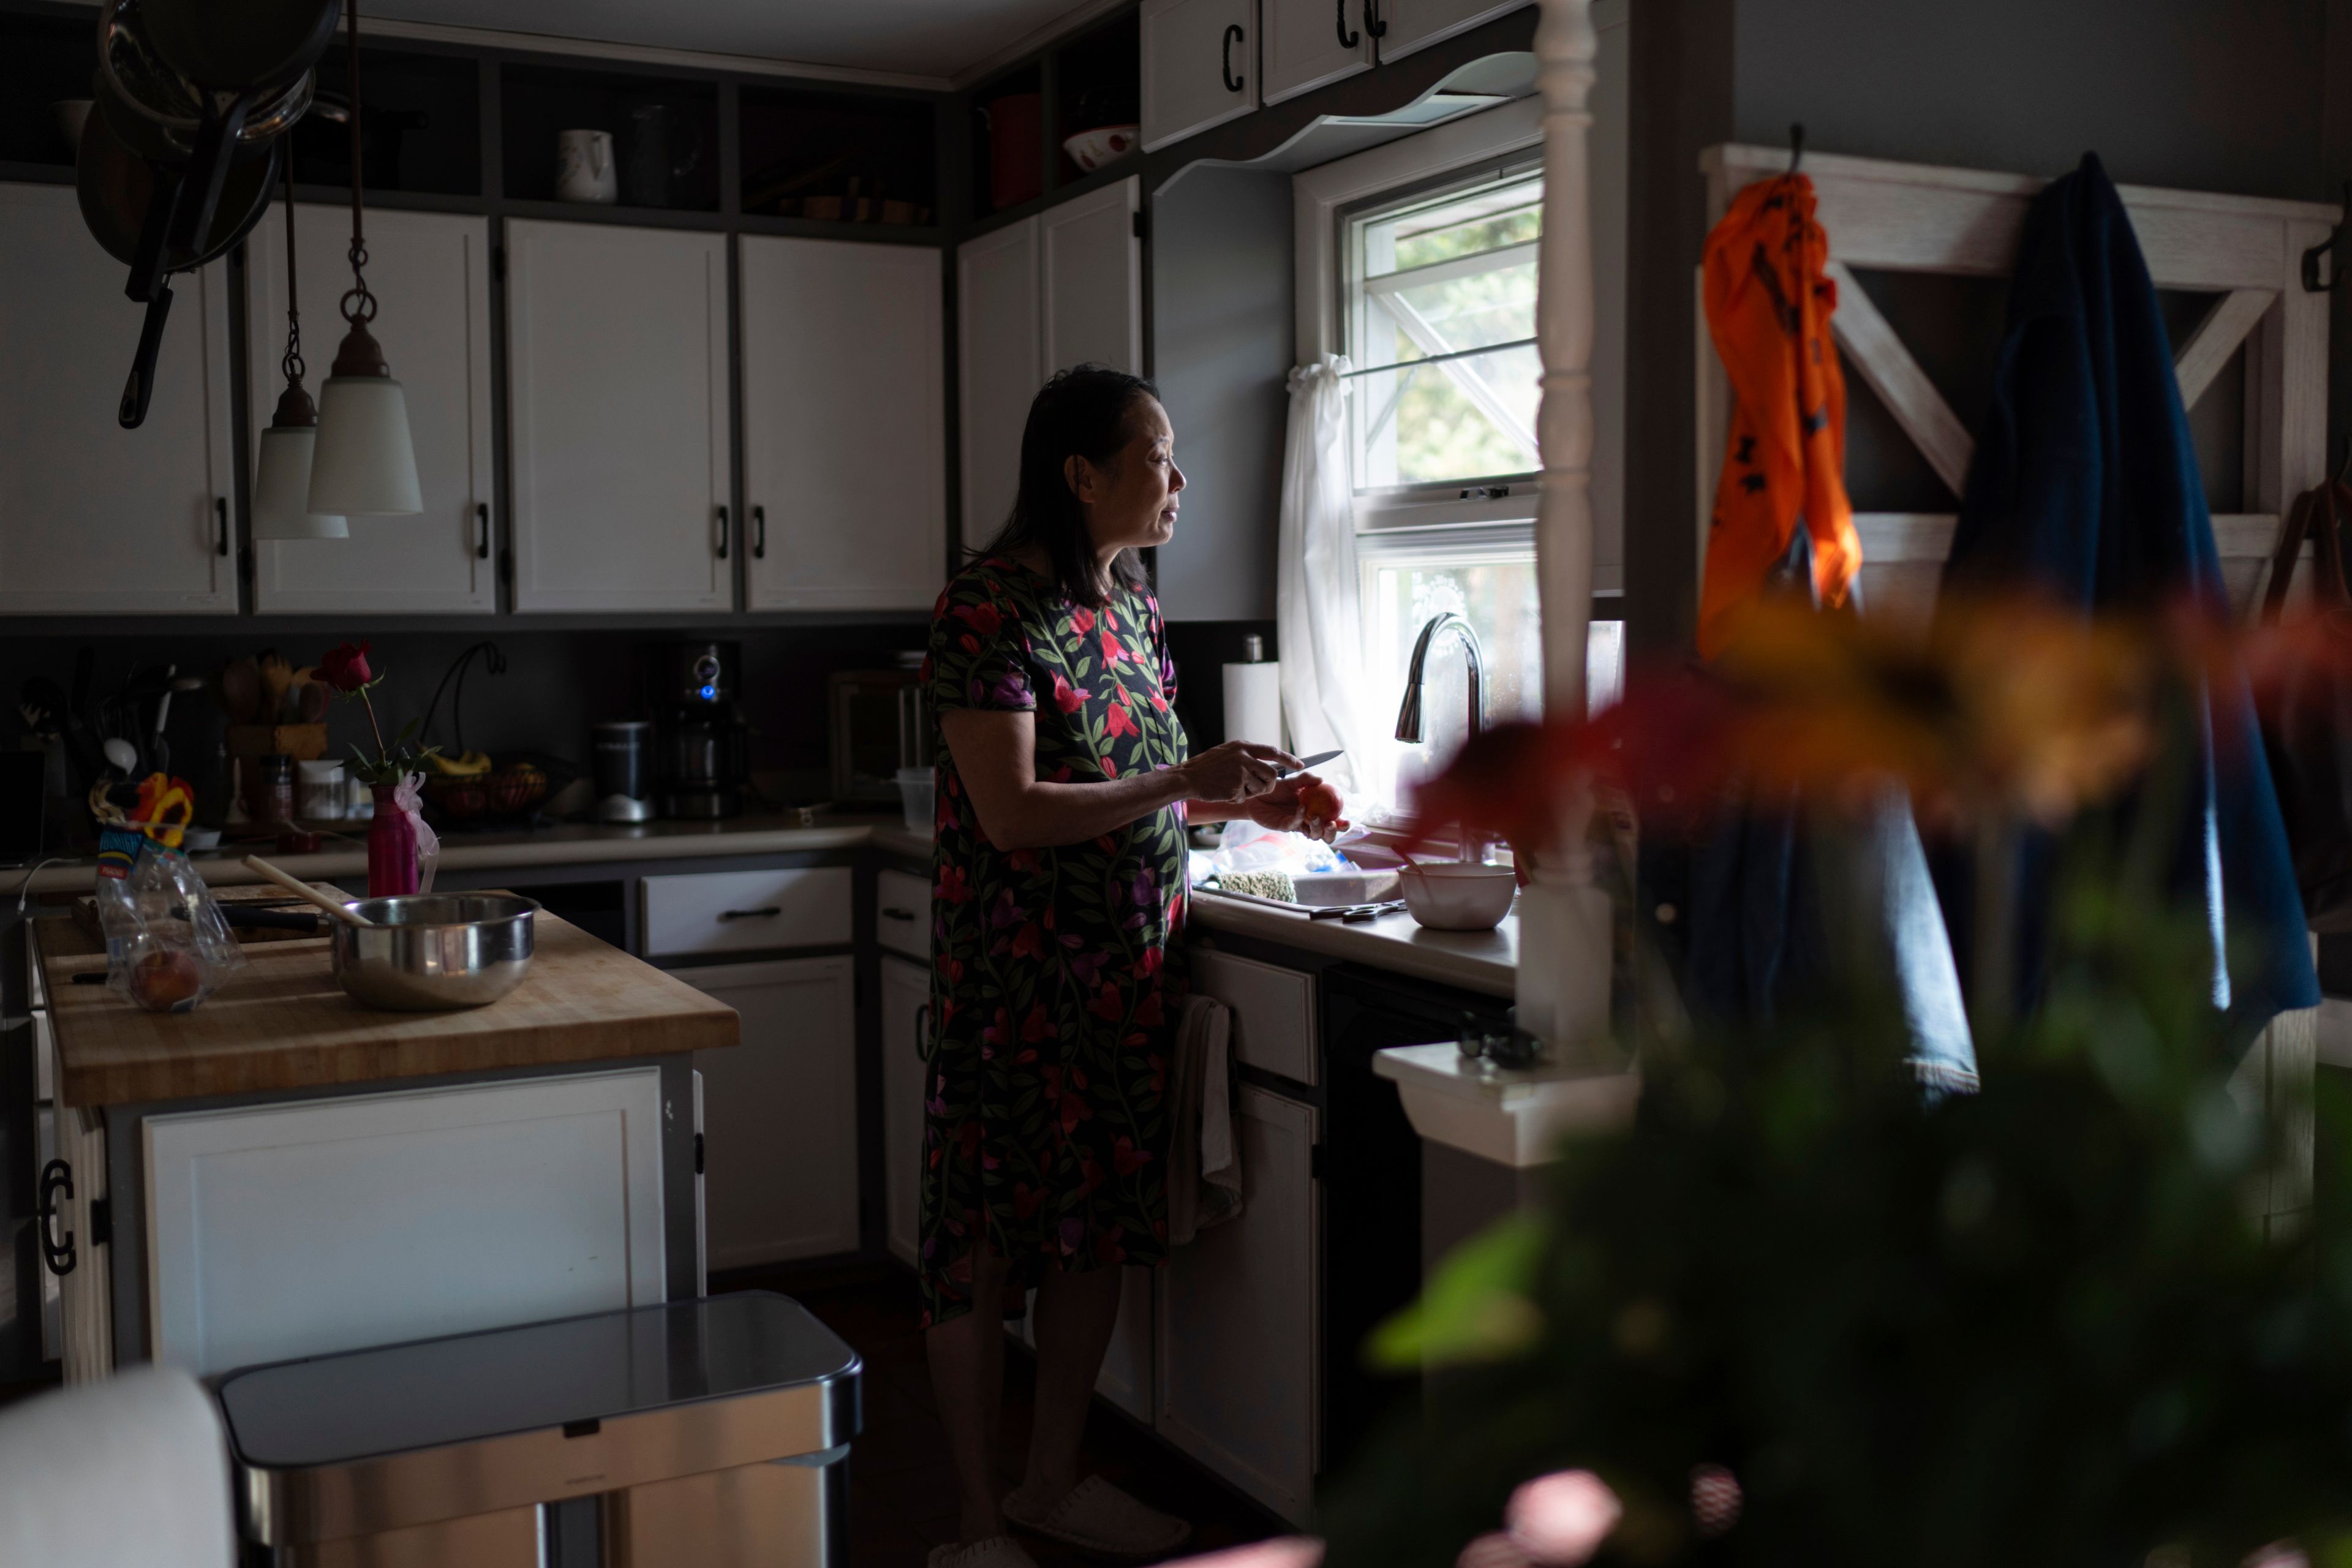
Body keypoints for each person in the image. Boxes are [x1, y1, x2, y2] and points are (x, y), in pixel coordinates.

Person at [921, 365, 1341, 1568]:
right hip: (1014, 987)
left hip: (1124, 977)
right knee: (989, 1242)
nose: (1180, 477)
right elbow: (1013, 813)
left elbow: (1140, 800)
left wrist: (1257, 804)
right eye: (1158, 453)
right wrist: (1179, 779)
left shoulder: (1135, 613)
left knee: (1097, 1231)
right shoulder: (983, 610)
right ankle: (977, 1520)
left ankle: (1052, 1479)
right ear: (1081, 473)